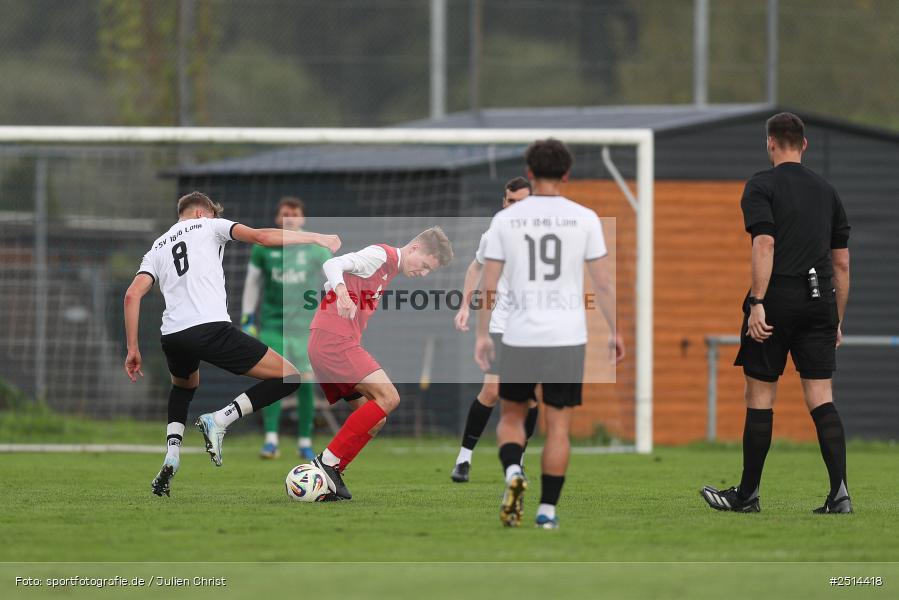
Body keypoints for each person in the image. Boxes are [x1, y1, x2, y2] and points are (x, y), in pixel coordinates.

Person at [123, 191, 340, 497]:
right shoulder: (211, 226)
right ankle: (220, 420)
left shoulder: (157, 246)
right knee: (289, 376)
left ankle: (172, 453)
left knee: (184, 386)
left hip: (172, 336)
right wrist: (316, 237)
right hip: (210, 328)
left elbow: (132, 294)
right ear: (202, 213)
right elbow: (263, 237)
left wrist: (132, 348)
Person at [700, 112, 852, 514]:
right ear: (804, 145)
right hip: (821, 299)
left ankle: (747, 496)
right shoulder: (827, 191)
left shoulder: (761, 185)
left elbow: (764, 244)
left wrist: (757, 303)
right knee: (821, 397)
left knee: (760, 396)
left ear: (770, 143)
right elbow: (842, 265)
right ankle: (840, 495)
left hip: (777, 297)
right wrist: (836, 319)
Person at [475, 139, 625, 529]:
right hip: (566, 337)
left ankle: (512, 473)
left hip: (520, 334)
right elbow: (604, 285)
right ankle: (547, 512)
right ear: (566, 174)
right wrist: (615, 330)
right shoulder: (585, 218)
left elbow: (488, 285)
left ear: (529, 173)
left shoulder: (505, 220)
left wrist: (482, 335)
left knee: (511, 417)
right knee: (558, 427)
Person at [308, 227, 453, 500]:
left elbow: (339, 280)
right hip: (333, 341)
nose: (423, 273)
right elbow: (332, 263)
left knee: (374, 419)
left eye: (428, 271)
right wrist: (340, 292)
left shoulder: (388, 271)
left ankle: (332, 474)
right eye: (424, 266)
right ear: (415, 249)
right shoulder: (380, 255)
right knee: (389, 397)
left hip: (330, 341)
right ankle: (326, 462)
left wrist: (336, 289)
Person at [451, 177, 540, 483]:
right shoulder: (495, 232)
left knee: (529, 400)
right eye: (510, 201)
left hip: (533, 328)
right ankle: (464, 459)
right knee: (491, 391)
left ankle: (519, 462)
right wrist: (464, 306)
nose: (515, 207)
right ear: (504, 203)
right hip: (502, 325)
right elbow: (476, 267)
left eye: (522, 202)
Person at [240, 197, 331, 460]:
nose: (289, 217)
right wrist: (247, 318)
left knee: (304, 384)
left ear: (302, 218)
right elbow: (252, 283)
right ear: (278, 217)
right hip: (272, 327)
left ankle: (304, 441)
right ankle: (271, 440)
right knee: (276, 380)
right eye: (285, 213)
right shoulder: (264, 247)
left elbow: (333, 279)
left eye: (294, 213)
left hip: (305, 329)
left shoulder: (314, 249)